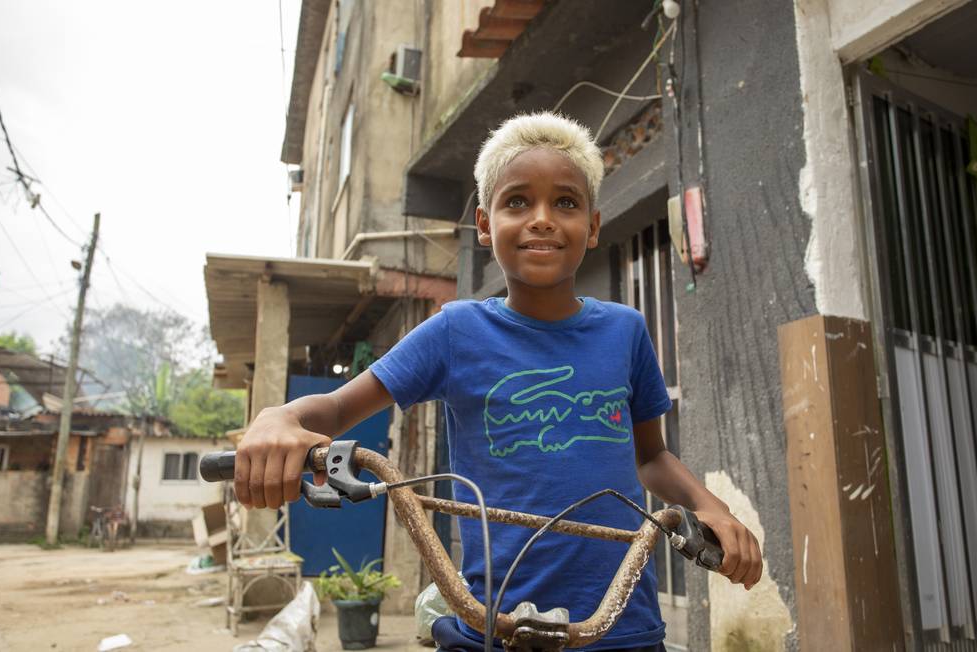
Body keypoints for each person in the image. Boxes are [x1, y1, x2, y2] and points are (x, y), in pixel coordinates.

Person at [235, 112, 763, 651]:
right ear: (485, 226)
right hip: (494, 623)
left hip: (622, 626)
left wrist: (711, 506)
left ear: (594, 224)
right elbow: (333, 410)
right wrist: (279, 418)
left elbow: (650, 457)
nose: (542, 220)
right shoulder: (455, 330)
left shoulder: (624, 331)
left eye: (565, 202)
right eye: (517, 202)